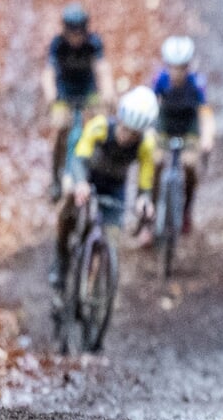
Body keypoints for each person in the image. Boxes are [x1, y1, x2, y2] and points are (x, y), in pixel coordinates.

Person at [53, 87, 160, 288]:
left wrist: (144, 199)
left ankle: (93, 287)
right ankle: (60, 259)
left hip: (114, 189)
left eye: (134, 134)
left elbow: (145, 178)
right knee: (68, 196)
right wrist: (80, 182)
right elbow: (79, 157)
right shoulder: (100, 127)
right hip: (87, 177)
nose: (127, 137)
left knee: (111, 237)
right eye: (125, 129)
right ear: (119, 119)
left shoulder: (146, 145)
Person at [42, 3, 110, 200]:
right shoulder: (58, 45)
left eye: (79, 32)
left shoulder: (93, 43)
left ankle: (97, 174)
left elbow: (102, 68)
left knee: (100, 127)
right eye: (72, 32)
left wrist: (107, 92)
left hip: (88, 92)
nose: (76, 37)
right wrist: (50, 93)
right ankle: (56, 178)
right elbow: (49, 72)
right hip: (64, 93)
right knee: (61, 128)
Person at [150, 36, 217, 234]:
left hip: (188, 127)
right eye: (172, 67)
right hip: (165, 124)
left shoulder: (197, 84)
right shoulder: (160, 80)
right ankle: (150, 210)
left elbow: (205, 113)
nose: (176, 72)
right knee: (156, 161)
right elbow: (151, 105)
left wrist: (207, 137)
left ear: (188, 66)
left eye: (181, 67)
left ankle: (186, 210)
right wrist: (149, 132)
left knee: (189, 165)